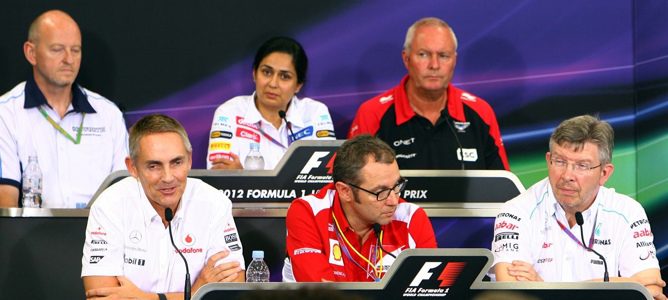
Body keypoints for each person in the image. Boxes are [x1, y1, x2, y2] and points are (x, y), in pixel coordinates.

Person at [491, 115, 666, 299]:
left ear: (604, 173)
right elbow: (511, 292)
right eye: (560, 162)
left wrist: (544, 288)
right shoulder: (516, 212)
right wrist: (624, 286)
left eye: (582, 165)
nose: (567, 175)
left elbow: (652, 292)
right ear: (549, 160)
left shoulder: (628, 212)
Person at [81, 114, 245, 299]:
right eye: (154, 166)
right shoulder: (109, 206)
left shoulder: (214, 203)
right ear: (132, 167)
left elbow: (232, 289)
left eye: (177, 162)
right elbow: (101, 297)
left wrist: (147, 298)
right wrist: (197, 291)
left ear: (189, 160)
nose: (168, 177)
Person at [0, 10, 128, 208]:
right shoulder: (6, 113)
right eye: (57, 49)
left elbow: (125, 193)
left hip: (101, 235)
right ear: (31, 53)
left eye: (75, 50)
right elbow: (5, 202)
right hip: (30, 235)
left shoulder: (108, 114)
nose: (69, 59)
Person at [348, 17, 508, 170]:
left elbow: (504, 189)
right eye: (423, 54)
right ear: (406, 58)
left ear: (455, 60)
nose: (434, 65)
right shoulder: (372, 114)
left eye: (443, 56)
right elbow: (350, 186)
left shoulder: (480, 112)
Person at [283, 134, 437, 282]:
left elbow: (429, 291)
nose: (393, 200)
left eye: (397, 186)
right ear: (345, 192)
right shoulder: (308, 212)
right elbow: (322, 294)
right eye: (380, 192)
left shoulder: (411, 217)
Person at [207, 36, 335, 170]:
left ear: (298, 85)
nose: (273, 83)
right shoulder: (229, 113)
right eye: (267, 72)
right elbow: (218, 175)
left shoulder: (315, 114)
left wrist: (242, 177)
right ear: (254, 74)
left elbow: (326, 176)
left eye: (285, 76)